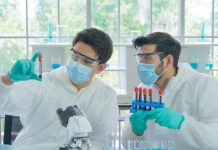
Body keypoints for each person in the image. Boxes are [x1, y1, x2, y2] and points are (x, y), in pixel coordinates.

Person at [0, 28, 119, 150]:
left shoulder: (106, 95)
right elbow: (3, 105)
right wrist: (7, 79)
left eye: (86, 61)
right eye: (75, 56)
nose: (78, 63)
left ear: (100, 68)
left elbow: (104, 142)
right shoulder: (42, 82)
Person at [121, 32, 218, 150]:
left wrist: (181, 123)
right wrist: (135, 131)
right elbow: (127, 145)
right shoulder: (142, 90)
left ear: (168, 61)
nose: (141, 64)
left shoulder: (204, 85)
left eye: (146, 58)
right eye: (139, 57)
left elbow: (215, 139)